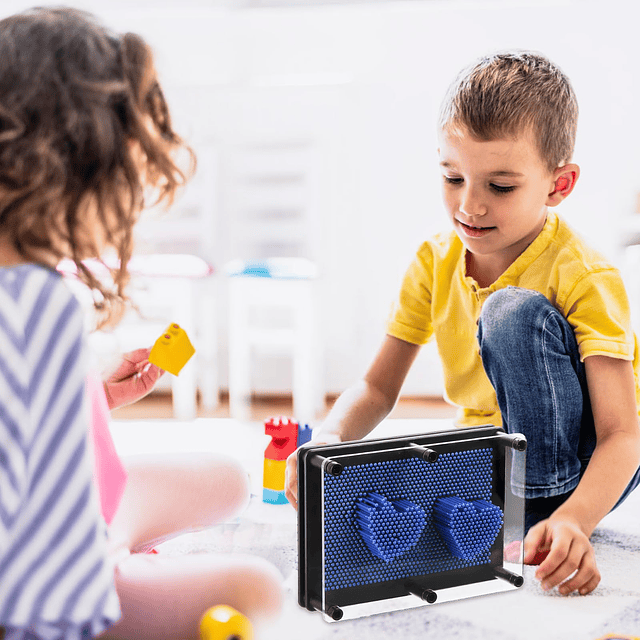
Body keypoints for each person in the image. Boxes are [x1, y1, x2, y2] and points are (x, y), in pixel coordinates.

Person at [285, 50, 640, 597]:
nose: (468, 206)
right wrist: (328, 438)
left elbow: (622, 434)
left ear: (558, 185)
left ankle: (535, 511)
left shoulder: (585, 274)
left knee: (509, 311)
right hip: (494, 452)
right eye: (453, 177)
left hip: (587, 464)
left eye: (500, 187)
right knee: (368, 486)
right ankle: (502, 505)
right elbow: (378, 387)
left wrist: (579, 518)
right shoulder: (436, 259)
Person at [0, 7, 281, 640]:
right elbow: (48, 591)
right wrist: (112, 569)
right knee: (255, 587)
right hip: (44, 585)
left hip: (55, 525)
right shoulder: (40, 306)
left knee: (229, 477)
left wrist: (91, 394)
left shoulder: (28, 296)